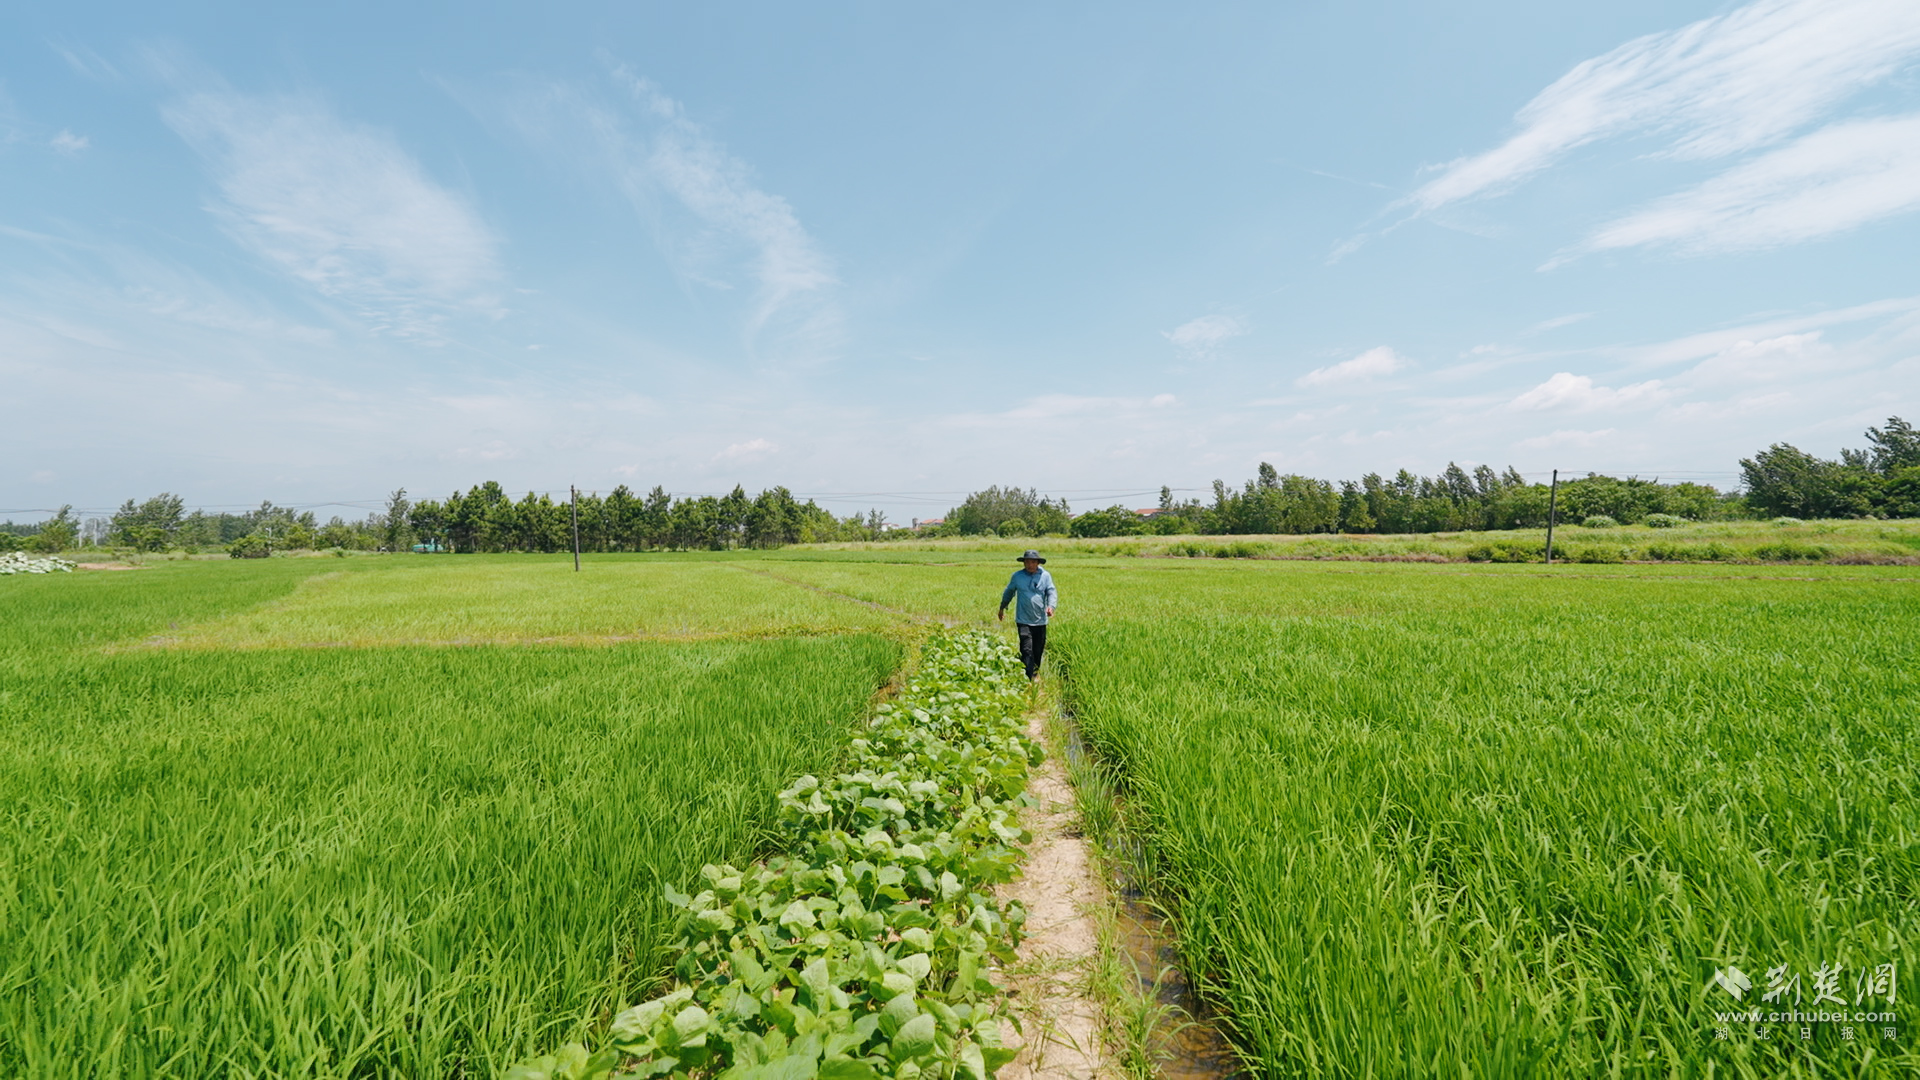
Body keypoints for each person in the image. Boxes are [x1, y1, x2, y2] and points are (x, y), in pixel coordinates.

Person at [998, 549, 1057, 680]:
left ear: (1037, 563)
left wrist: (1051, 606)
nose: (1030, 564)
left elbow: (1051, 592)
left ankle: (1035, 673)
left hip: (1040, 620)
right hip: (1023, 619)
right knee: (1026, 649)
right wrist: (1002, 607)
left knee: (1038, 650)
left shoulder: (1045, 576)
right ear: (1023, 563)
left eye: (1033, 562)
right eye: (1027, 562)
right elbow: (1009, 592)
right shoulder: (1017, 577)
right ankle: (1028, 677)